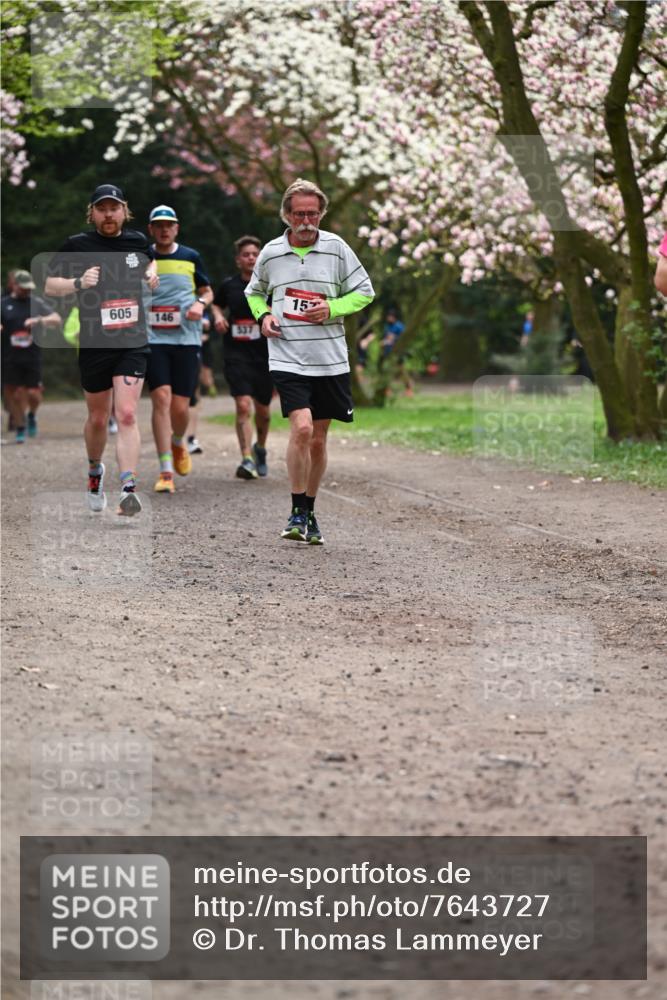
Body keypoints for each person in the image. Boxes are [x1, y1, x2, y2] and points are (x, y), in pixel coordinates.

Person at [245, 178, 375, 543]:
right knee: (301, 429)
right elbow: (254, 292)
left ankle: (310, 510)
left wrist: (332, 307)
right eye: (300, 214)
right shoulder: (271, 252)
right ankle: (296, 510)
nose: (306, 221)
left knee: (318, 440)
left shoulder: (337, 248)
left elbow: (365, 291)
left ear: (321, 214)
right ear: (287, 215)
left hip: (329, 359)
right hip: (287, 356)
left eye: (313, 214)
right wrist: (263, 316)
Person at [45, 183, 158, 515]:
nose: (108, 214)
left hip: (132, 341)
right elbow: (50, 285)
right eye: (102, 209)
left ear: (124, 211)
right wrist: (79, 282)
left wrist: (152, 274)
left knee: (126, 414)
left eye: (114, 208)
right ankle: (95, 470)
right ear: (92, 213)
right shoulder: (76, 245)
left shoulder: (137, 241)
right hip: (95, 343)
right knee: (97, 418)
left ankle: (128, 488)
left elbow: (150, 262)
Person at [145, 205, 213, 494]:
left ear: (176, 228)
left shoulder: (190, 256)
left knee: (180, 407)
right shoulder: (142, 258)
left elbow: (207, 291)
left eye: (168, 225)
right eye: (158, 225)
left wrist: (200, 304)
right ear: (151, 229)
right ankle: (165, 471)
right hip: (153, 338)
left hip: (186, 339)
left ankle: (177, 442)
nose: (164, 230)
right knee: (161, 398)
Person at [212, 236, 274, 479]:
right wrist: (218, 316)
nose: (251, 258)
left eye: (255, 254)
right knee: (242, 405)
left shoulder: (269, 286)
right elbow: (216, 304)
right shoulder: (229, 285)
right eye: (246, 255)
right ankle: (246, 458)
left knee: (263, 411)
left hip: (264, 354)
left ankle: (260, 448)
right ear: (238, 260)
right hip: (236, 353)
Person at [1, 269, 61, 443]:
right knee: (13, 394)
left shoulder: (36, 302)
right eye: (23, 287)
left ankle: (32, 414)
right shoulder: (3, 304)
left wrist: (39, 320)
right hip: (9, 357)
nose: (26, 290)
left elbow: (56, 319)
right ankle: (20, 427)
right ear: (14, 285)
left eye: (29, 288)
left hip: (32, 356)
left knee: (33, 394)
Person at [381, 308, 413, 396]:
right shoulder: (387, 326)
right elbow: (386, 338)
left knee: (402, 371)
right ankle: (387, 390)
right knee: (387, 370)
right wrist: (383, 342)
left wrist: (394, 338)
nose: (388, 318)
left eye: (390, 316)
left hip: (398, 353)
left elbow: (404, 338)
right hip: (388, 352)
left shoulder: (399, 326)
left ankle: (409, 389)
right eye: (388, 316)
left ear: (394, 317)